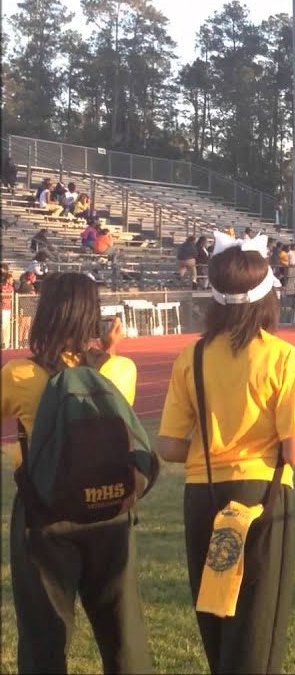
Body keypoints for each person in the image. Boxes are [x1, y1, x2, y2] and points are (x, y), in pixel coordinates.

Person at [155, 232, 295, 674]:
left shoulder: (192, 357)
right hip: (261, 496)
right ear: (268, 299)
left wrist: (208, 449)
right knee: (258, 625)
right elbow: (294, 452)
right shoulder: (284, 357)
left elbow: (169, 445)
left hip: (202, 496)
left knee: (216, 612)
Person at [2, 273, 152, 673]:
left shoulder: (17, 374)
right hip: (110, 509)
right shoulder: (121, 370)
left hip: (45, 513)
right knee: (123, 632)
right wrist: (110, 350)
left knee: (43, 635)